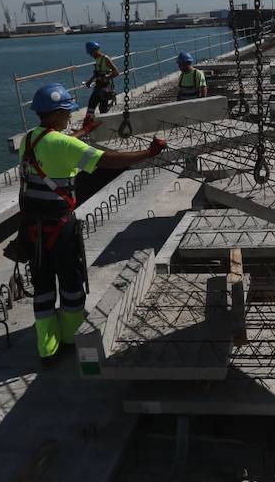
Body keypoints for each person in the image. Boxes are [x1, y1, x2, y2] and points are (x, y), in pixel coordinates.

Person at [16, 82, 166, 365]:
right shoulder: (64, 143)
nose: (70, 116)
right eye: (68, 112)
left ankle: (47, 349)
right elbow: (106, 160)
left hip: (33, 229)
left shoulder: (29, 139)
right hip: (61, 229)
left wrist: (84, 132)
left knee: (43, 287)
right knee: (71, 283)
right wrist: (148, 154)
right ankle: (73, 338)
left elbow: (56, 143)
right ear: (59, 113)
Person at [83, 41, 118, 115]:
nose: (91, 55)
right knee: (92, 105)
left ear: (95, 50)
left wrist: (106, 78)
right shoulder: (97, 60)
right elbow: (96, 73)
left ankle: (104, 121)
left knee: (102, 108)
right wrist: (89, 82)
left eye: (91, 53)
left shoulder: (105, 58)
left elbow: (116, 72)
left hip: (105, 87)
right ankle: (90, 120)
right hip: (98, 85)